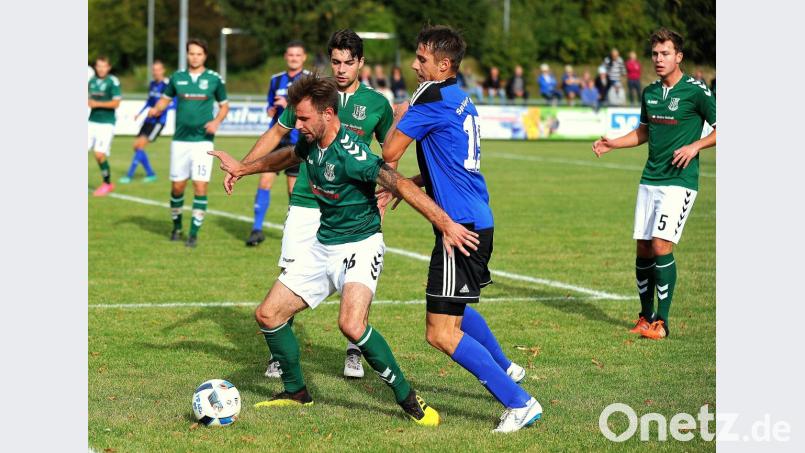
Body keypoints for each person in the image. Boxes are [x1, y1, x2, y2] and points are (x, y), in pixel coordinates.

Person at [210, 74, 480, 426]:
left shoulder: (353, 154)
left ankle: (409, 398)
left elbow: (397, 183)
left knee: (351, 325)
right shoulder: (311, 143)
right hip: (323, 244)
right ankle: (296, 393)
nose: (299, 125)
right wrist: (245, 168)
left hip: (361, 245)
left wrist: (444, 223)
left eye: (305, 118)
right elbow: (287, 157)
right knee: (268, 315)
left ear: (327, 114)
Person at [380, 25, 541, 433]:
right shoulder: (459, 96)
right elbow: (449, 158)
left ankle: (519, 403)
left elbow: (389, 152)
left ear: (443, 64)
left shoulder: (429, 96)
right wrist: (417, 185)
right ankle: (507, 367)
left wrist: (399, 117)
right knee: (458, 310)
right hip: (475, 217)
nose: (414, 66)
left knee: (440, 332)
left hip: (459, 227)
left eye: (421, 59)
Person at [223, 30, 394, 380]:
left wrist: (389, 189)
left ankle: (353, 350)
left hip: (352, 206)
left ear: (361, 62)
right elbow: (276, 133)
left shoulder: (378, 104)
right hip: (306, 199)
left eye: (349, 62)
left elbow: (390, 151)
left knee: (355, 281)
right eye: (336, 61)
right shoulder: (313, 96)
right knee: (291, 273)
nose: (342, 69)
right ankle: (281, 354)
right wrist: (243, 167)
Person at [592, 28, 716, 340]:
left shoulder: (696, 91)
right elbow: (643, 131)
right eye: (655, 54)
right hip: (650, 179)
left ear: (679, 57)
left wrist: (695, 146)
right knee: (644, 247)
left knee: (662, 244)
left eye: (665, 53)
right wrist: (613, 144)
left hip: (680, 181)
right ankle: (645, 317)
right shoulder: (649, 92)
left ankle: (662, 320)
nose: (659, 59)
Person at [148, 38, 229, 248]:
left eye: (199, 54)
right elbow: (164, 100)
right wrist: (156, 109)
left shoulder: (214, 79)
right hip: (180, 142)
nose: (195, 57)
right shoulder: (177, 77)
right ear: (187, 55)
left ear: (205, 56)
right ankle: (176, 227)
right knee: (177, 187)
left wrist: (216, 121)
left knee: (200, 186)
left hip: (203, 142)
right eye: (191, 53)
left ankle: (193, 233)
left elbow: (224, 106)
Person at [247, 41, 310, 247]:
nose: (294, 58)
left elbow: (311, 108)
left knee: (293, 191)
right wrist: (271, 110)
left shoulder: (309, 79)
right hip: (276, 140)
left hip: (297, 142)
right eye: (291, 55)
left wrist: (288, 105)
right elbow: (269, 104)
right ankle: (256, 229)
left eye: (297, 55)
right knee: (264, 183)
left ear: (304, 57)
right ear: (285, 56)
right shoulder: (276, 80)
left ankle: (295, 233)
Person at [120, 60, 173, 184]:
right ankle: (150, 173)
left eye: (158, 69)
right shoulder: (152, 84)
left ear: (163, 70)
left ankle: (129, 175)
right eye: (154, 70)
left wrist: (159, 110)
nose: (156, 72)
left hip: (159, 122)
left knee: (140, 146)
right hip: (148, 119)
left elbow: (174, 104)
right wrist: (140, 112)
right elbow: (149, 102)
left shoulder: (167, 85)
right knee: (136, 146)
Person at [88, 56, 121, 197]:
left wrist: (97, 104)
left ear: (108, 67)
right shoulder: (92, 81)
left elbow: (116, 103)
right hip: (91, 121)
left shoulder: (112, 82)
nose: (101, 69)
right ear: (95, 67)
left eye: (104, 66)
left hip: (106, 124)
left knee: (99, 154)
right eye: (99, 66)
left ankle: (107, 183)